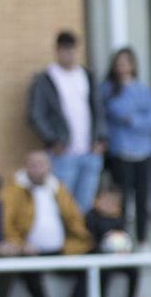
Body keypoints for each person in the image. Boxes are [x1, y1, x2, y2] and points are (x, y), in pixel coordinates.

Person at [0, 150, 93, 297]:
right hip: (29, 249)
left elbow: (73, 217)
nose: (36, 169)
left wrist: (84, 238)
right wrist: (20, 243)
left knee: (94, 258)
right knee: (28, 267)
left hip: (61, 248)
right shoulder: (14, 190)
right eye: (32, 164)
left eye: (40, 164)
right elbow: (6, 221)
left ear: (49, 167)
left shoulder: (57, 188)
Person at [27, 30, 108, 213]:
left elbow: (99, 109)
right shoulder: (45, 80)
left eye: (72, 50)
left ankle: (79, 242)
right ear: (57, 51)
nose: (70, 55)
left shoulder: (87, 76)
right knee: (62, 205)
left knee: (84, 206)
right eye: (65, 50)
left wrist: (101, 138)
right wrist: (52, 140)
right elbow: (35, 115)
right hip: (63, 153)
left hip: (90, 151)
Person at [100, 48, 151, 250]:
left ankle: (143, 240)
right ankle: (122, 239)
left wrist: (133, 119)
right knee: (122, 199)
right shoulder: (109, 89)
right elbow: (117, 110)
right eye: (119, 63)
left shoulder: (142, 89)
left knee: (144, 199)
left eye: (126, 62)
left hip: (144, 151)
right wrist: (134, 115)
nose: (122, 66)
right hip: (121, 151)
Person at [84, 183, 140, 297]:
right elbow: (88, 239)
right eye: (107, 200)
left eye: (113, 201)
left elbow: (123, 237)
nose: (110, 204)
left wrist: (122, 250)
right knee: (104, 274)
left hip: (115, 256)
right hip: (97, 256)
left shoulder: (118, 217)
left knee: (134, 270)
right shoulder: (91, 216)